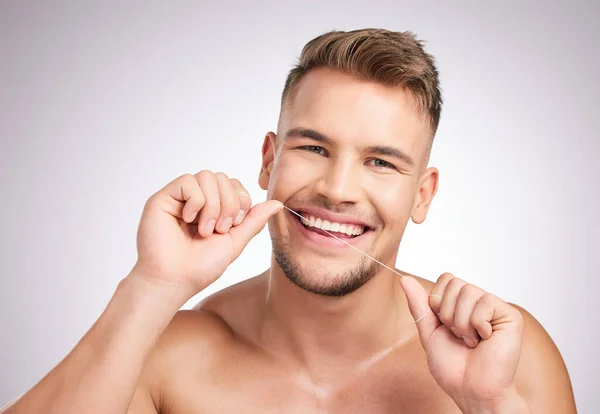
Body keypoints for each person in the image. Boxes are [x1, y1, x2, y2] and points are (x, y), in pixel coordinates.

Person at [2, 28, 577, 413]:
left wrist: (492, 407)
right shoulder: (166, 360)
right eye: (314, 148)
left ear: (422, 195)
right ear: (269, 161)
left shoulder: (505, 356)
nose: (336, 189)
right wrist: (152, 287)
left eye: (380, 161)